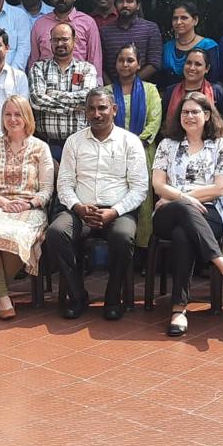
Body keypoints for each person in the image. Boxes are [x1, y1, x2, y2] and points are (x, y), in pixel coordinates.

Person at [152, 92, 223, 337]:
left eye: (195, 111)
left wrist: (178, 195)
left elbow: (220, 188)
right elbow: (158, 186)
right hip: (167, 213)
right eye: (185, 112)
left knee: (183, 234)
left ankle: (178, 309)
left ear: (207, 115)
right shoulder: (167, 145)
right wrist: (185, 200)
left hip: (211, 213)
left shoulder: (222, 145)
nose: (189, 116)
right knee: (183, 210)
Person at [48, 88, 148, 321]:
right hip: (80, 209)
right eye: (91, 108)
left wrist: (114, 211)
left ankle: (113, 298)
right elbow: (64, 183)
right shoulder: (74, 142)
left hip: (117, 210)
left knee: (123, 237)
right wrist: (78, 207)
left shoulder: (130, 142)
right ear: (85, 112)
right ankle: (77, 295)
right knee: (56, 233)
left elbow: (139, 187)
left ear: (114, 110)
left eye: (102, 108)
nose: (97, 113)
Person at [0, 96, 53, 320]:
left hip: (29, 207)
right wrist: (4, 203)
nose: (13, 119)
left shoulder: (41, 148)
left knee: (19, 235)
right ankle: (4, 296)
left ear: (27, 117)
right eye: (8, 114)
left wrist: (27, 204)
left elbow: (46, 190)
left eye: (18, 114)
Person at [112, 43, 162, 248]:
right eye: (121, 60)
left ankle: (142, 250)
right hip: (113, 152)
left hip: (143, 151)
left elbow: (154, 122)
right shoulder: (107, 92)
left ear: (139, 64)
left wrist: (134, 144)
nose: (125, 64)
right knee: (117, 195)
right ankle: (120, 244)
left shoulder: (150, 91)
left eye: (130, 60)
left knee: (144, 201)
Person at [29, 21, 98, 159]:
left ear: (74, 40)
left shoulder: (85, 69)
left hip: (79, 144)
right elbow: (37, 100)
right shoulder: (39, 68)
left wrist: (53, 94)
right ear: (50, 42)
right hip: (46, 145)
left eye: (65, 39)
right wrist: (71, 108)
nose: (60, 43)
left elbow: (87, 97)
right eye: (56, 40)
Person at [29, 0, 104, 79]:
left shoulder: (87, 23)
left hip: (79, 82)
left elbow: (95, 61)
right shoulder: (40, 24)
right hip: (46, 86)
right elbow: (34, 61)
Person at [99, 0, 163, 82]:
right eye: (121, 1)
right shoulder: (105, 31)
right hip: (111, 91)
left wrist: (130, 84)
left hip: (142, 89)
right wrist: (111, 88)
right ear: (115, 4)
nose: (125, 5)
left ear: (138, 5)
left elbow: (154, 63)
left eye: (129, 1)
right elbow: (100, 64)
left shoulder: (151, 29)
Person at [161, 47, 223, 126]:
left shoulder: (216, 91)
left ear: (207, 69)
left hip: (209, 137)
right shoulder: (170, 91)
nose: (192, 68)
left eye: (198, 64)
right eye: (188, 63)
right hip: (175, 137)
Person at [159, 1, 219, 88]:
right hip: (170, 98)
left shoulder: (208, 46)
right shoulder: (168, 47)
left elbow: (213, 79)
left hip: (200, 98)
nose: (178, 22)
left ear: (195, 20)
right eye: (175, 18)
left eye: (184, 18)